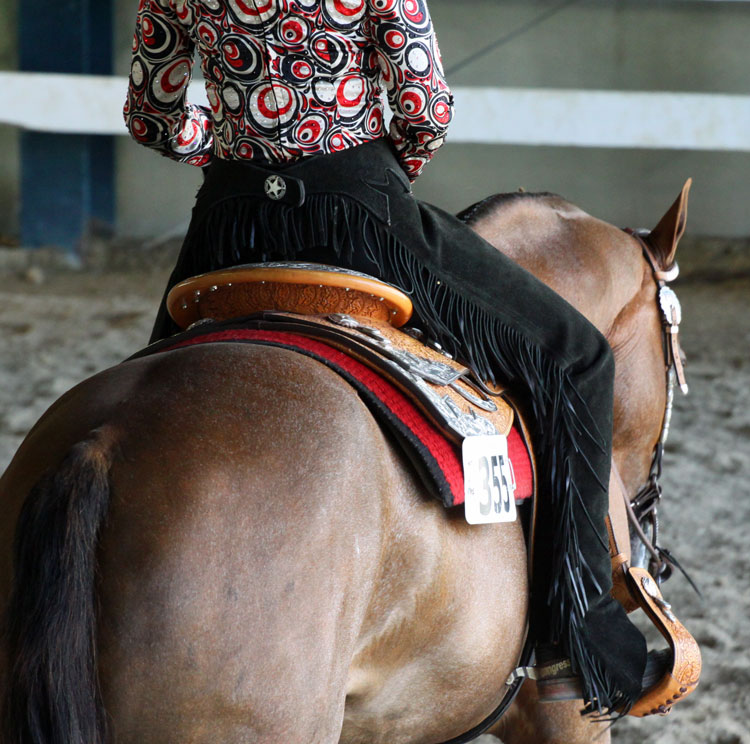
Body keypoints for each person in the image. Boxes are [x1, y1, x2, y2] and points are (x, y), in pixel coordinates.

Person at [125, 0, 647, 715]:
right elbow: (424, 108)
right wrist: (365, 172)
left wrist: (225, 153)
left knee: (141, 407)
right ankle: (575, 634)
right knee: (578, 356)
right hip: (358, 213)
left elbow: (151, 115)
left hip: (227, 226)